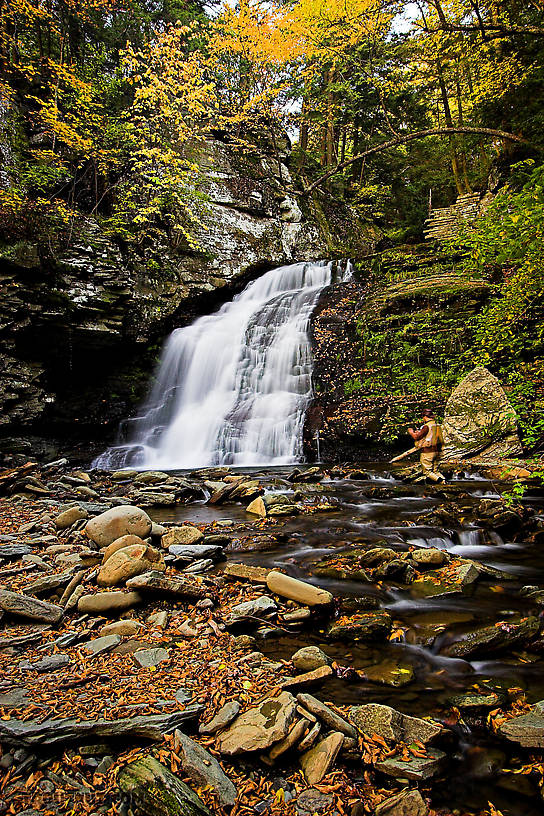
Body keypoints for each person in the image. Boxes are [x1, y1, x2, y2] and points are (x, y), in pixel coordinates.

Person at [408, 409, 446, 482]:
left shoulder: (426, 426)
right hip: (437, 451)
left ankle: (441, 482)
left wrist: (411, 432)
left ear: (425, 416)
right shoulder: (438, 425)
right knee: (435, 471)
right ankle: (445, 481)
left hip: (427, 452)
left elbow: (416, 437)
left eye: (423, 417)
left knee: (427, 472)